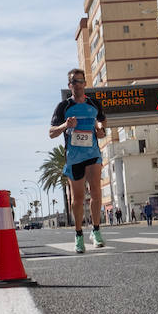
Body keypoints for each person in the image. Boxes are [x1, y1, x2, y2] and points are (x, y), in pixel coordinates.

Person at [49, 68, 108, 253]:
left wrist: (100, 130)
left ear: (85, 83)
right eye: (73, 82)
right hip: (74, 157)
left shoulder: (93, 103)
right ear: (69, 86)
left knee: (96, 193)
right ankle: (79, 234)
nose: (77, 84)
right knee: (78, 198)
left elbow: (101, 121)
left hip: (93, 154)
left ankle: (96, 230)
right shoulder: (63, 107)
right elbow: (51, 132)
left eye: (80, 81)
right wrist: (66, 125)